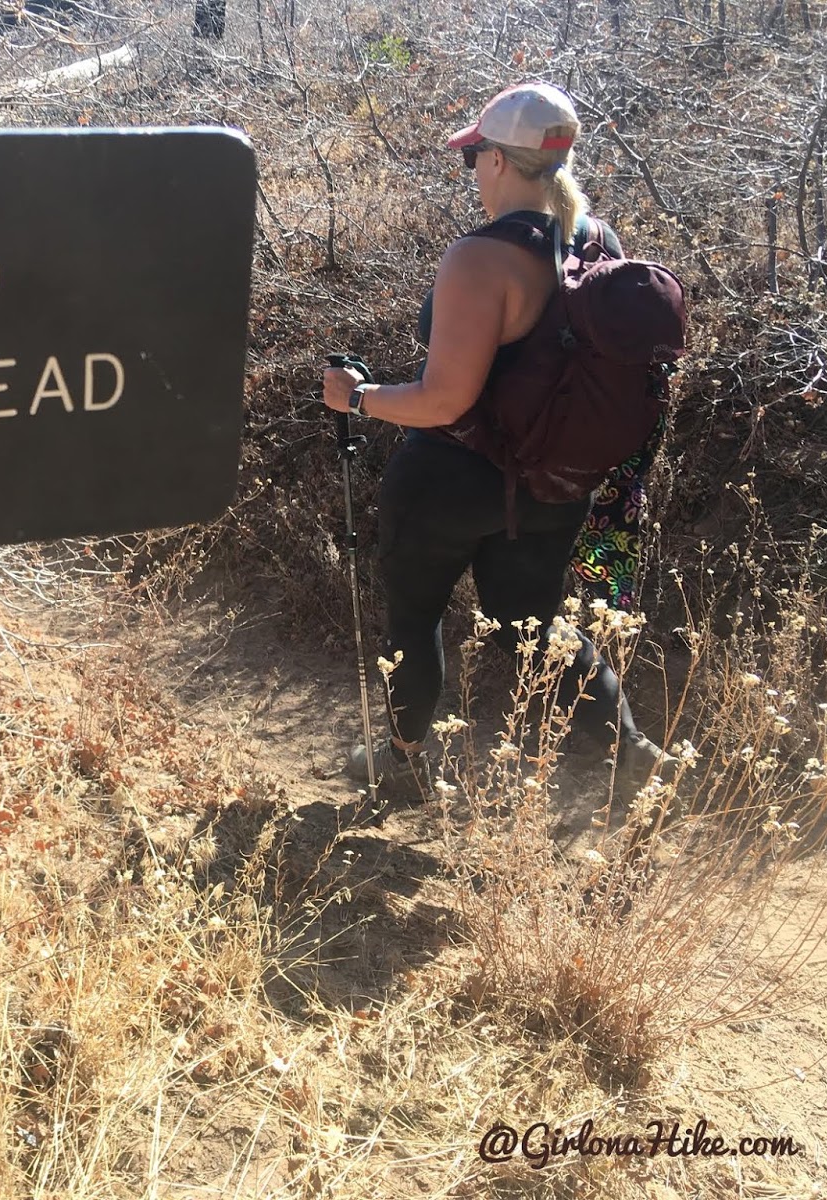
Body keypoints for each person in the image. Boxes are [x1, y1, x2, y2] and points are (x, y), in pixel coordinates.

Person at [321, 81, 672, 803]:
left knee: (415, 617)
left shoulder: (480, 259)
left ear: (500, 163)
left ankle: (404, 761)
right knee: (535, 626)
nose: (472, 170)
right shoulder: (597, 240)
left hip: (452, 481)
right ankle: (633, 755)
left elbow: (445, 399)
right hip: (552, 485)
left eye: (474, 156)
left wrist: (355, 398)